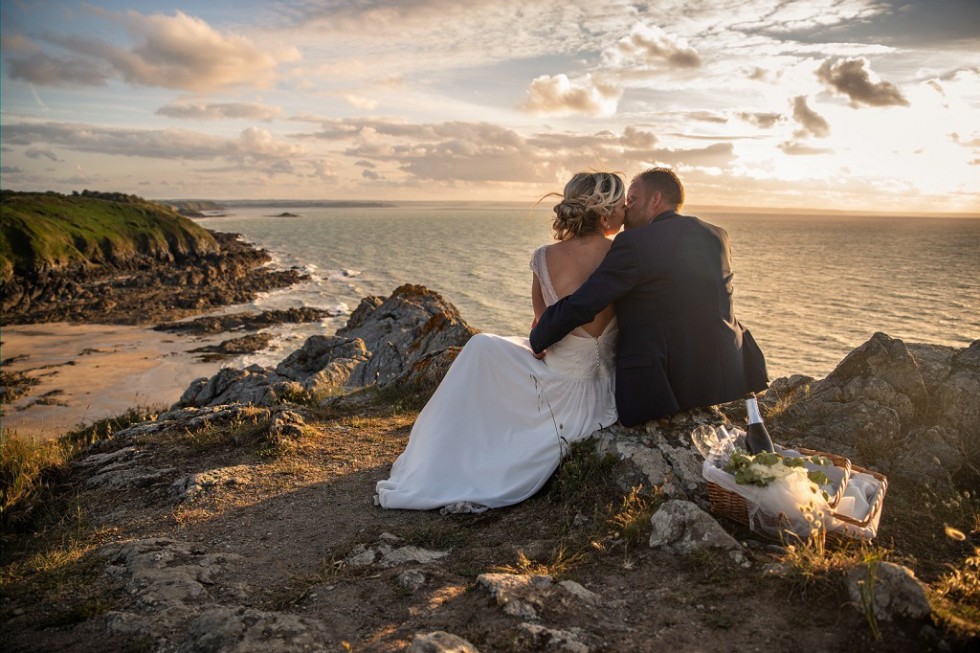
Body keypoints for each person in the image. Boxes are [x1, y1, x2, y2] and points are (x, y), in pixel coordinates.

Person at [375, 172, 626, 512]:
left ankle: (446, 450)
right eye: (622, 203)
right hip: (608, 393)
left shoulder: (544, 258)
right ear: (607, 213)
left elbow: (541, 336)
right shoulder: (626, 256)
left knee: (482, 348)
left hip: (562, 392)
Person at [529, 167, 768, 427]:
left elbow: (585, 303)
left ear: (654, 200)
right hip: (724, 373)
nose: (627, 208)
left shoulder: (634, 243)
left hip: (662, 388)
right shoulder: (717, 235)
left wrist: (541, 336)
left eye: (632, 200)